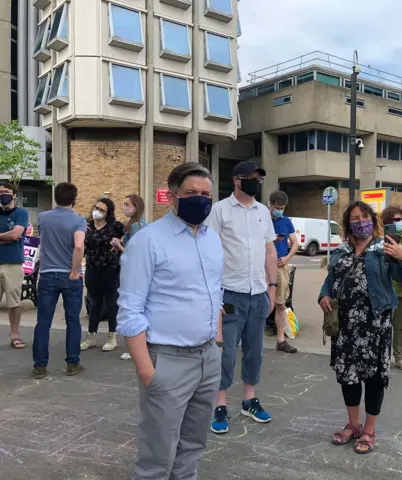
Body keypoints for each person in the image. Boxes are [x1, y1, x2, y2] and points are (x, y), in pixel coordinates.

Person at [117, 163, 223, 480]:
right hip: (166, 359)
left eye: (206, 194)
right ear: (172, 196)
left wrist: (216, 342)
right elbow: (130, 309)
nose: (200, 199)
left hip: (207, 357)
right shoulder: (148, 241)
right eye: (192, 193)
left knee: (192, 447)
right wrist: (147, 371)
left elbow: (214, 293)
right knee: (157, 456)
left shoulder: (212, 240)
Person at [319, 201, 402, 454]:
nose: (359, 222)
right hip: (345, 326)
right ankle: (353, 424)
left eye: (364, 217)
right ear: (348, 224)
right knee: (347, 377)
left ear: (373, 219)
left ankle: (369, 430)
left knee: (372, 379)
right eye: (354, 218)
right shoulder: (342, 250)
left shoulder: (384, 248)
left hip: (375, 325)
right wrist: (323, 296)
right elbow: (331, 278)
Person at [208, 161, 277, 434]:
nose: (256, 183)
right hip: (229, 293)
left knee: (255, 350)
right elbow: (209, 251)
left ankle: (249, 399)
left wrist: (272, 288)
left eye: (259, 179)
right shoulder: (219, 211)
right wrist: (213, 295)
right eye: (251, 179)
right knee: (225, 352)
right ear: (237, 180)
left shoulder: (263, 212)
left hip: (258, 292)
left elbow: (269, 251)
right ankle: (220, 403)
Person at [32, 183, 86, 379]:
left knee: (43, 321)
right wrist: (74, 271)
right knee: (73, 320)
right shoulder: (79, 220)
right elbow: (79, 246)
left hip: (47, 273)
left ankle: (39, 366)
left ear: (55, 198)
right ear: (74, 199)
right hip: (69, 275)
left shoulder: (43, 217)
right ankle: (72, 363)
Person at [80, 198, 125, 352]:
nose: (97, 211)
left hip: (110, 268)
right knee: (94, 303)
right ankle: (91, 336)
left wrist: (120, 244)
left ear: (108, 213)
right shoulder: (87, 225)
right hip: (92, 268)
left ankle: (112, 336)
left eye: (102, 209)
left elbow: (129, 235)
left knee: (111, 303)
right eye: (96, 207)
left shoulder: (115, 226)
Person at [381, 205, 402, 372]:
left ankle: (399, 357)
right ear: (388, 221)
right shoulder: (383, 239)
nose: (400, 222)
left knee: (401, 325)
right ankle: (383, 356)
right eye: (396, 219)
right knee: (384, 325)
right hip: (389, 288)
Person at [112, 194, 146, 360]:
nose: (124, 207)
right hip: (130, 270)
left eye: (127, 204)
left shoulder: (137, 226)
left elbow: (136, 255)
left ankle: (136, 347)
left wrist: (119, 246)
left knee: (132, 309)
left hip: (133, 272)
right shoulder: (134, 225)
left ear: (135, 207)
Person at [268, 190, 299, 354]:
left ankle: (281, 340)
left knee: (280, 303)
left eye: (282, 207)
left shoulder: (286, 221)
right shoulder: (262, 219)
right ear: (270, 205)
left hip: (280, 266)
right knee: (260, 303)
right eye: (277, 207)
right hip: (262, 266)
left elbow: (295, 243)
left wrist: (287, 258)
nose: (279, 210)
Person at [0, 183, 29, 349]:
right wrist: (7, 237)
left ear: (15, 195)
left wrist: (10, 237)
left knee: (14, 303)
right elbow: (11, 236)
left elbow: (16, 234)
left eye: (6, 192)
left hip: (13, 264)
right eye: (0, 192)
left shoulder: (21, 213)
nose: (3, 195)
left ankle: (15, 335)